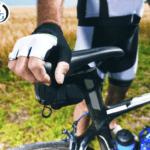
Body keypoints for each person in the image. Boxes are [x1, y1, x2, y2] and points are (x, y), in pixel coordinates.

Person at [8, 0, 145, 144]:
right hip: (95, 32)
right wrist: (49, 24)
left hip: (130, 33)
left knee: (120, 89)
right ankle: (78, 139)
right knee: (87, 100)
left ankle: (111, 125)